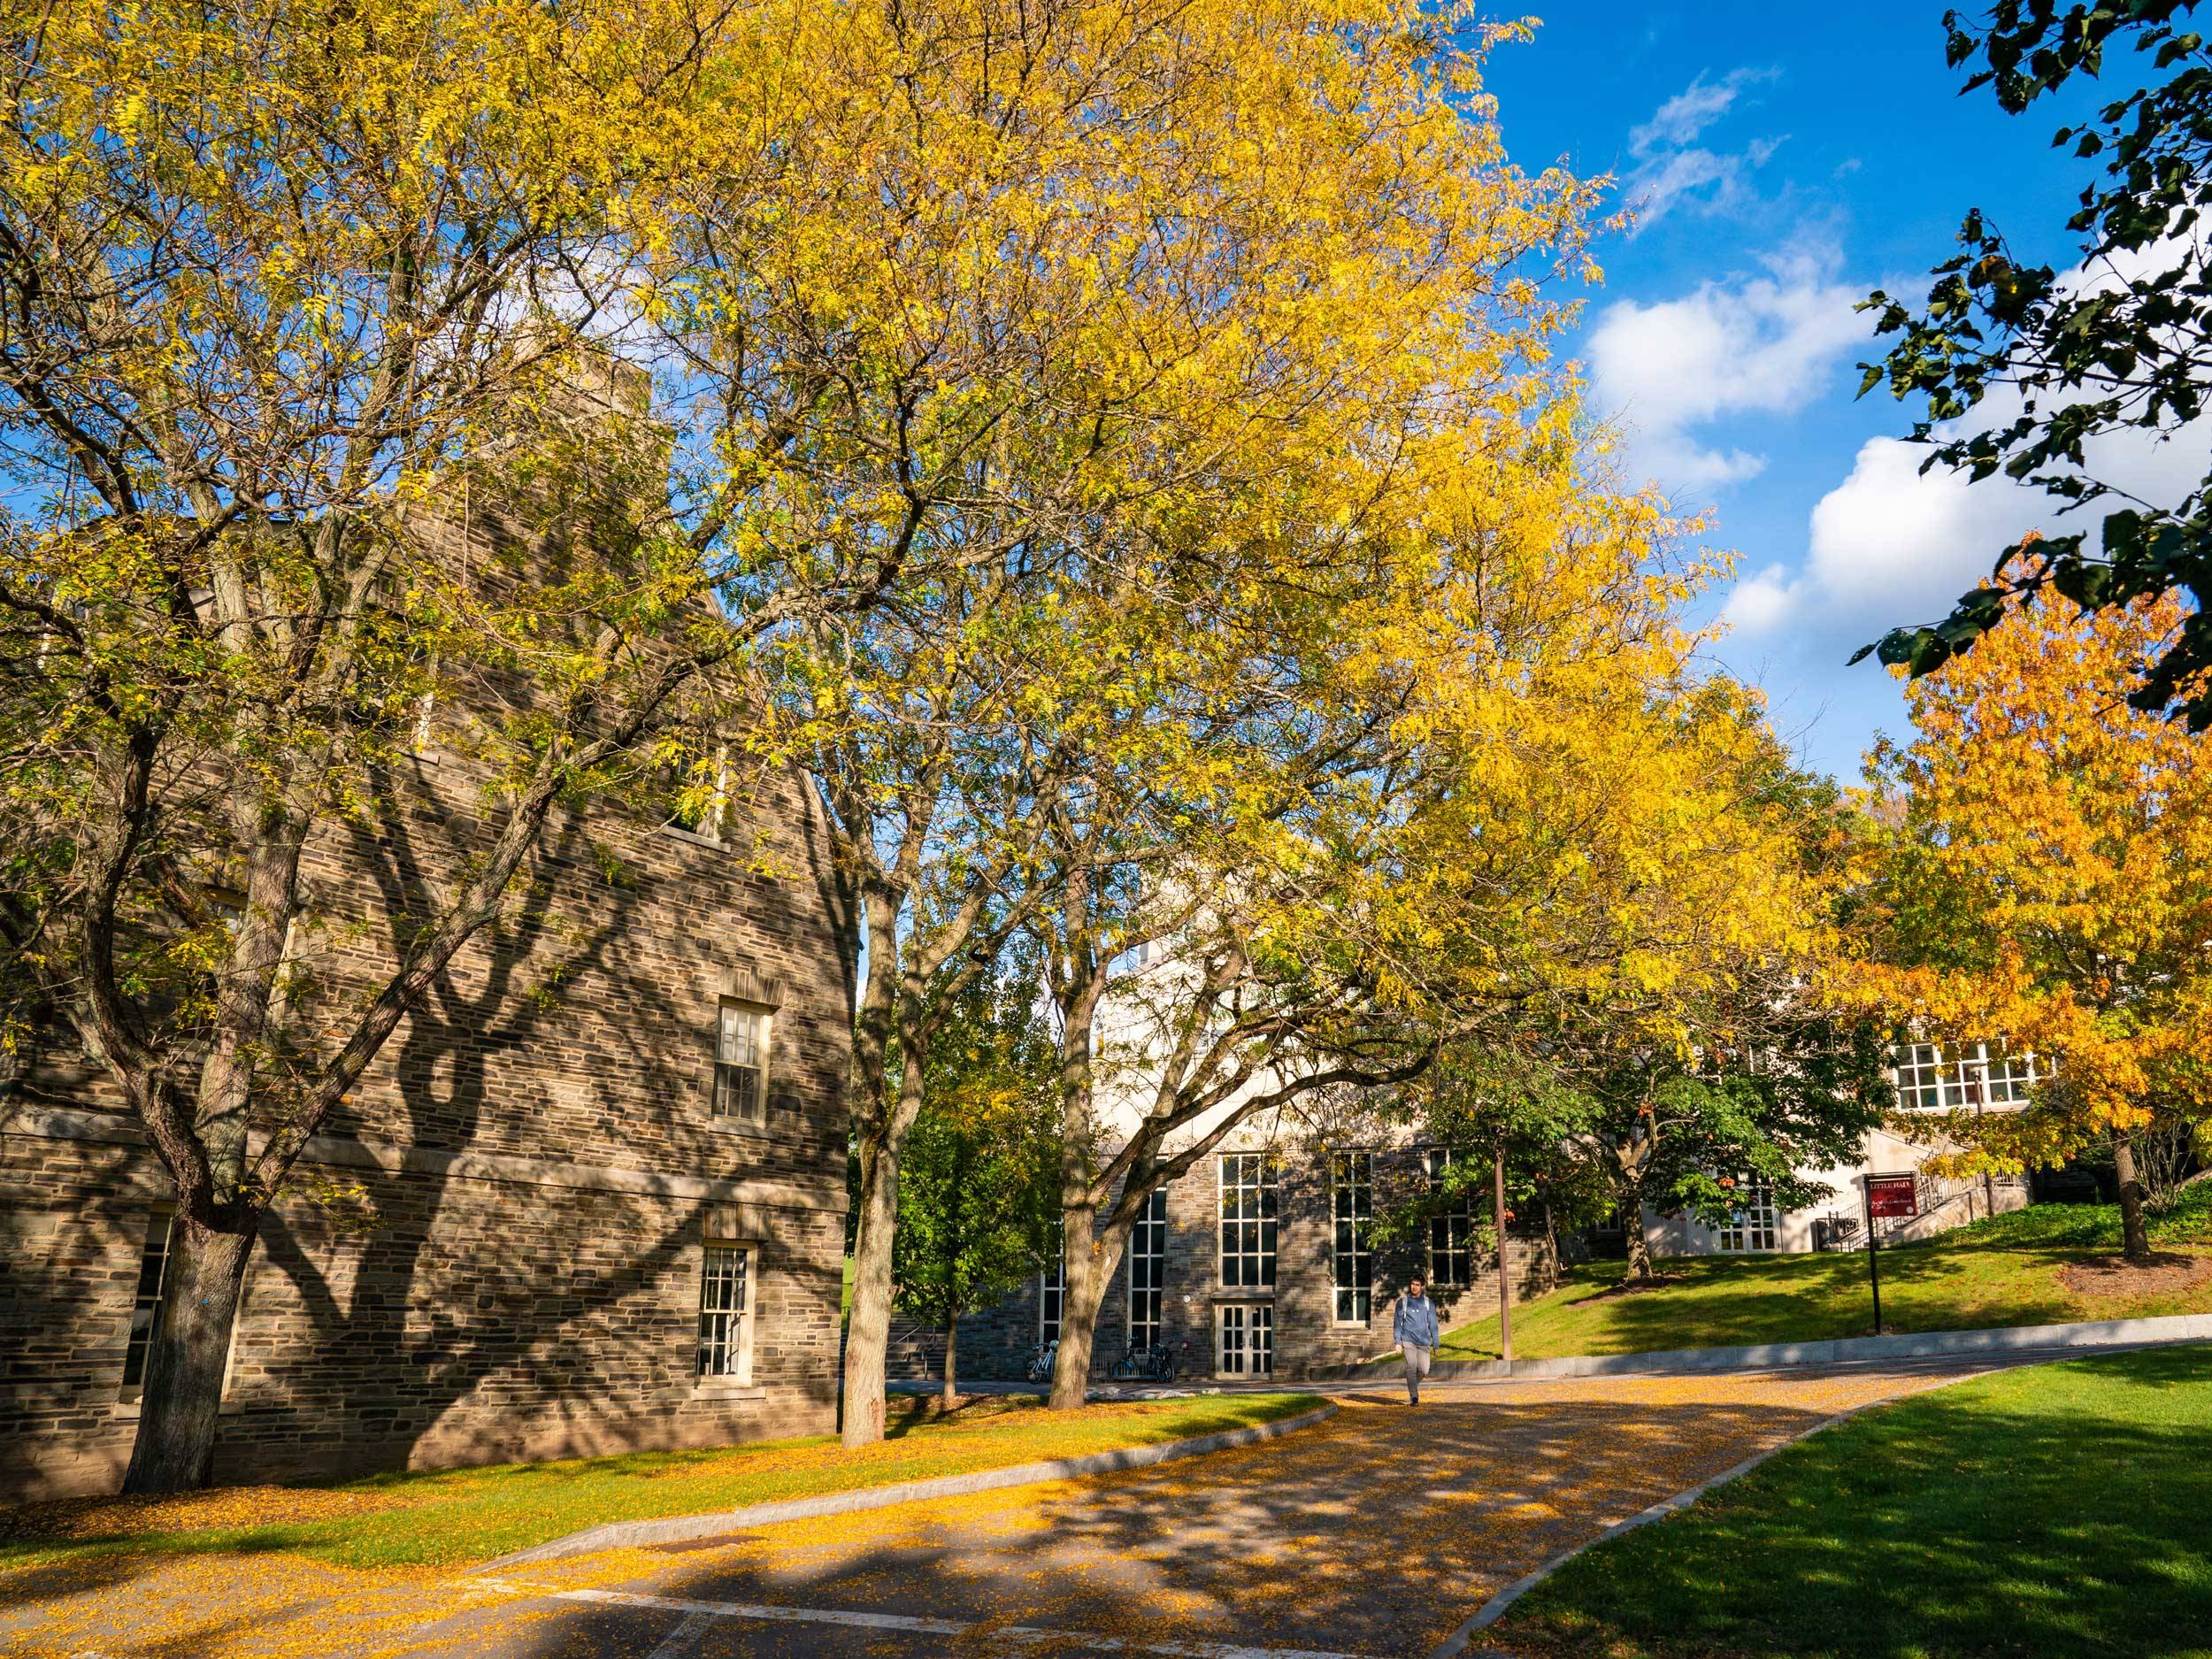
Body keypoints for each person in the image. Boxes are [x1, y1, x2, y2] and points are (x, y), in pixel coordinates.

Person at [1394, 1272, 1440, 1405]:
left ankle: (1412, 1384)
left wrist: (1436, 1344)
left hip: (1424, 1342)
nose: (1414, 1287)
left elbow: (1433, 1325)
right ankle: (1414, 1397)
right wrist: (1398, 1342)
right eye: (1412, 1284)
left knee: (1424, 1370)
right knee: (1411, 1367)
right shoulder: (1402, 1302)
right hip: (1408, 1340)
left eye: (1417, 1285)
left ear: (1422, 1286)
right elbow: (1397, 1323)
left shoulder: (1428, 1303)